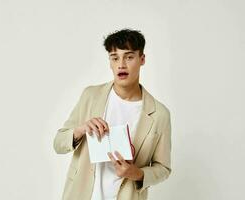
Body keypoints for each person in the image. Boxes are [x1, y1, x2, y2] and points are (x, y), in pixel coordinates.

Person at [53, 28, 172, 200]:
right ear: (110, 62)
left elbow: (163, 168)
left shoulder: (160, 114)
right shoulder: (90, 96)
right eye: (115, 58)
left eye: (129, 57)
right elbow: (58, 143)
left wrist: (136, 173)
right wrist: (81, 130)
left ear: (142, 59)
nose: (121, 64)